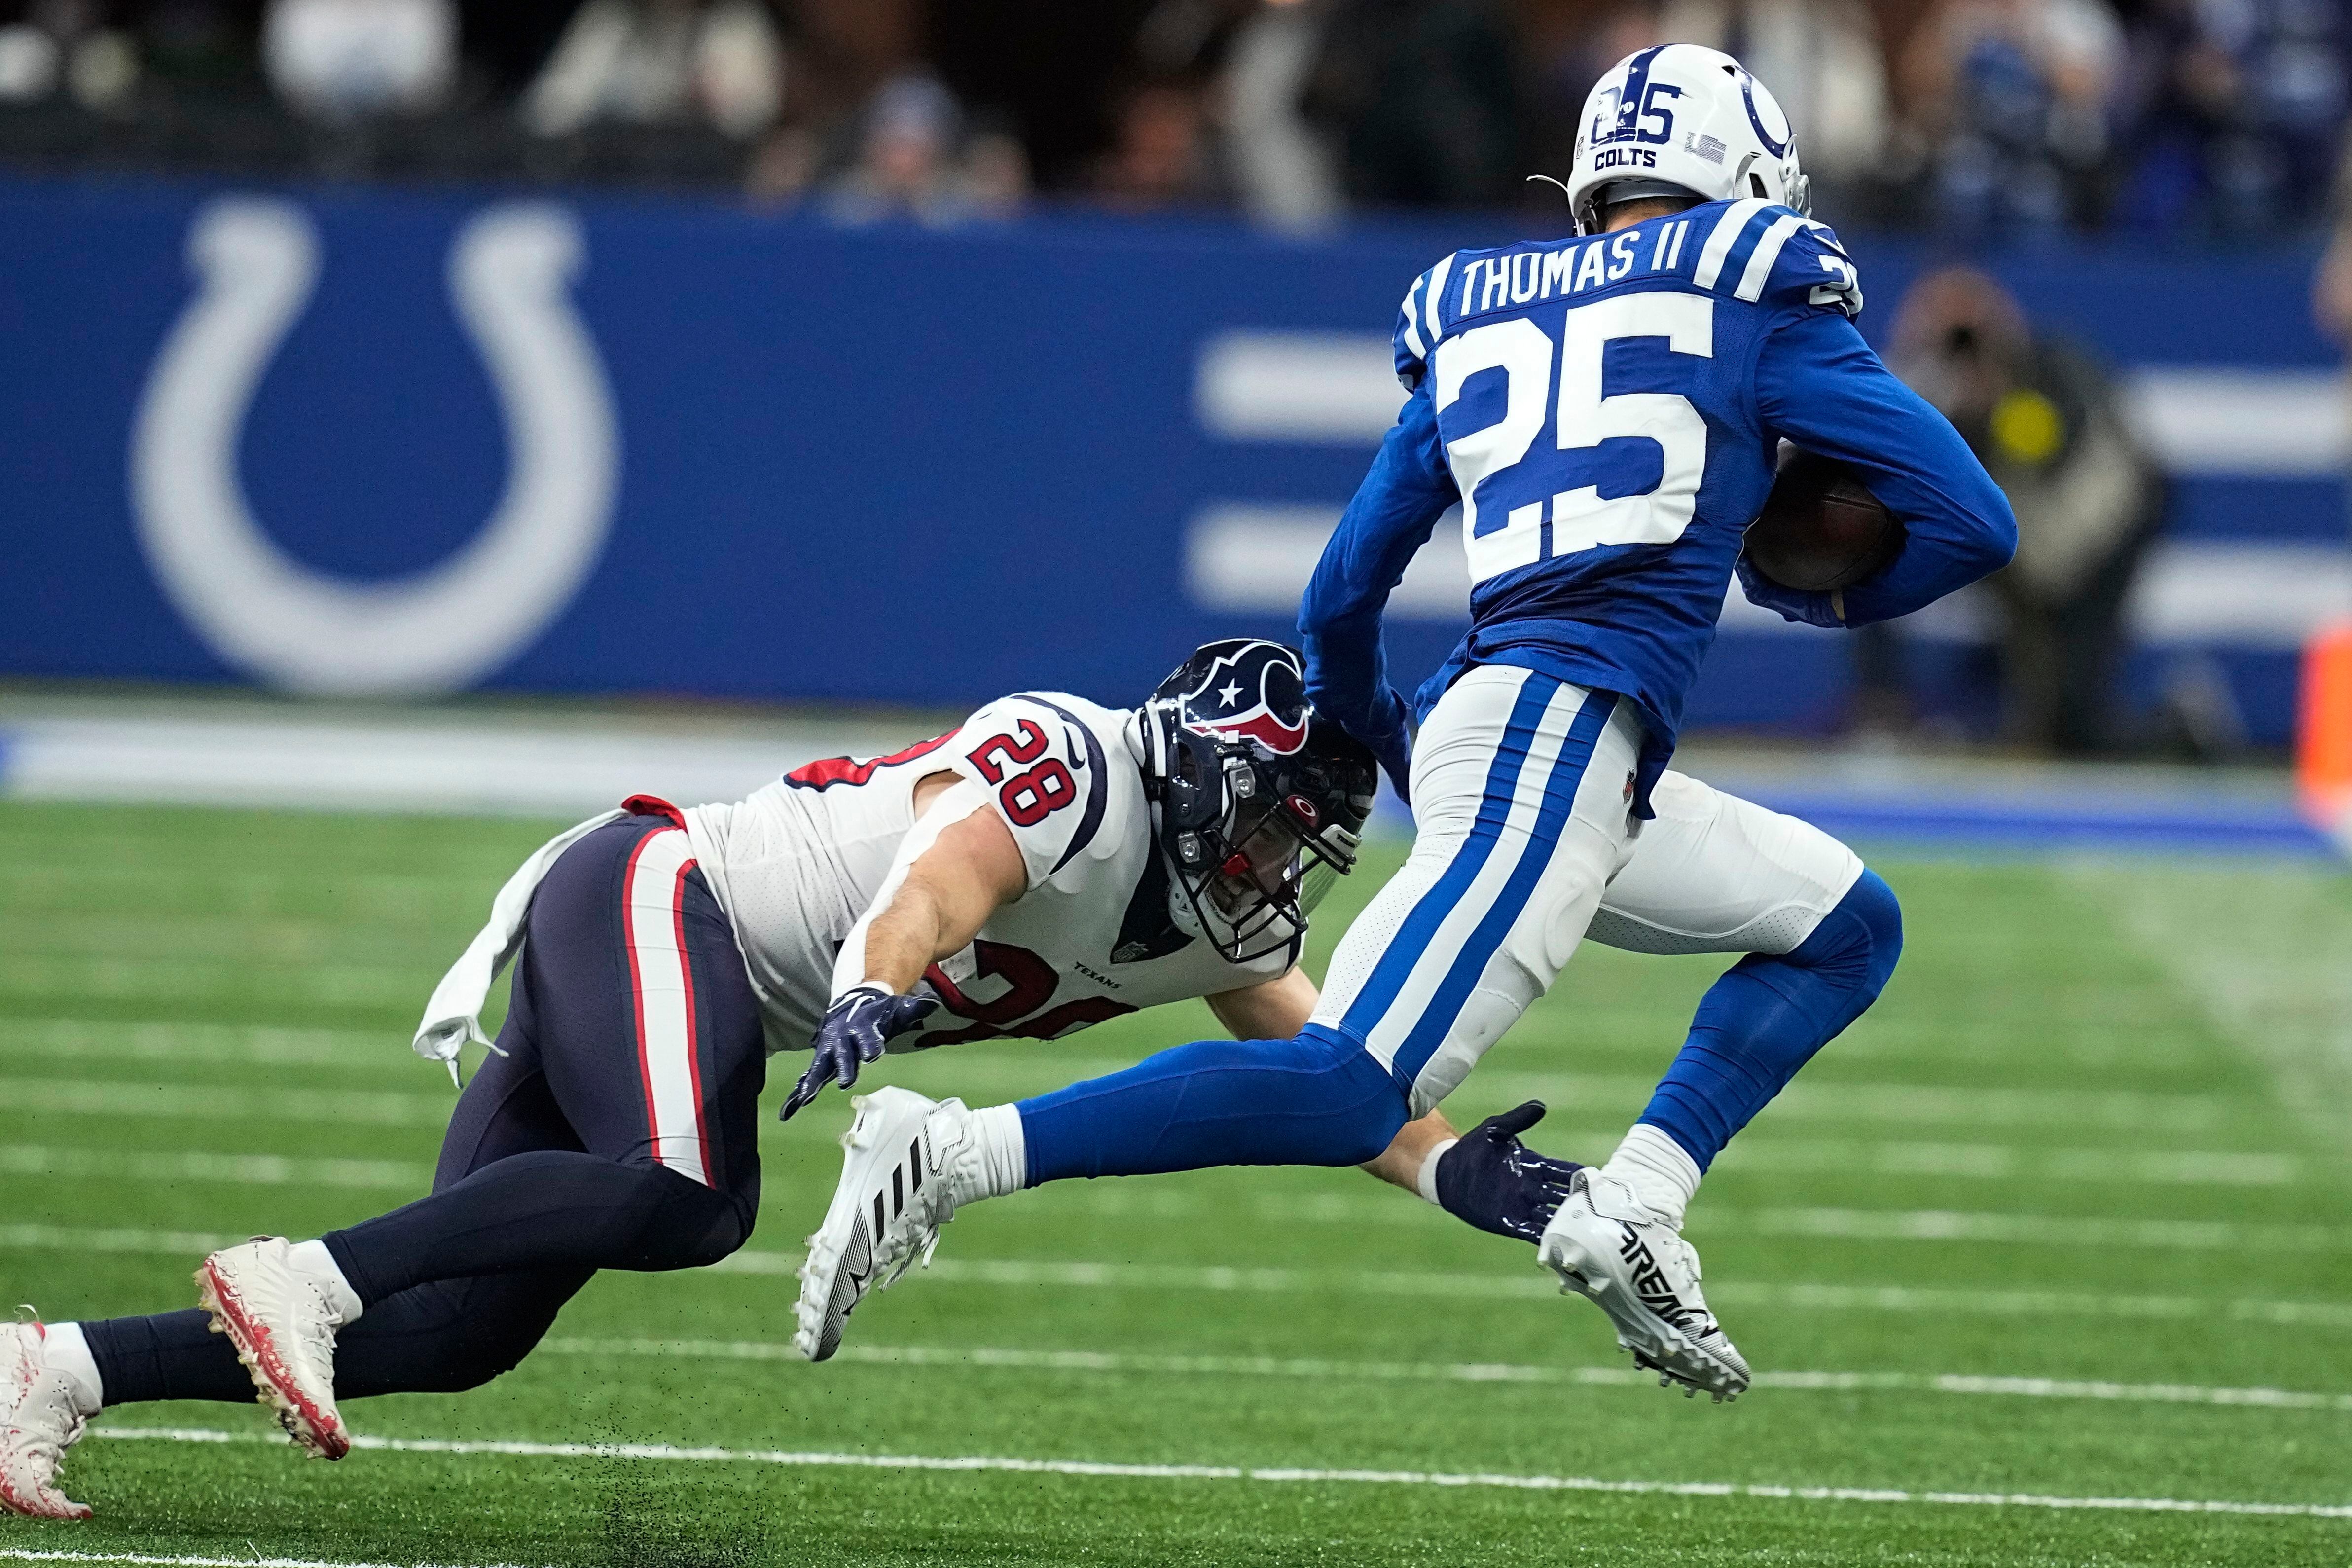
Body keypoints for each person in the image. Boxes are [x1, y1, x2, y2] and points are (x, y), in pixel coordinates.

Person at [795, 45, 2016, 1402]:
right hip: (1559, 735)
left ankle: (1637, 1201)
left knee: (1850, 926)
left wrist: (1395, 740)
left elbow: (1339, 595)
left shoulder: (1488, 308)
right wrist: (1813, 603)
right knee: (1343, 1092)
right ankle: (951, 1148)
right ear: (1745, 185)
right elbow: (1972, 518)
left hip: (1512, 736)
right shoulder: (1757, 292)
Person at [0, 640, 1574, 1520]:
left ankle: (51, 1368)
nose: (1278, 856)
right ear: (1191, 767)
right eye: (1266, 815)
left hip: (695, 988)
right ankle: (299, 1275)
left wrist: (1450, 1171)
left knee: (463, 1330)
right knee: (688, 1195)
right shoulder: (1078, 764)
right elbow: (937, 888)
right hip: (655, 895)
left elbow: (1328, 1076)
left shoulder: (1213, 922)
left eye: (1303, 834)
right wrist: (873, 993)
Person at [1881, 267, 2163, 753]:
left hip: (2088, 533)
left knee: (2077, 709)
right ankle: (1879, 708)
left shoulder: (2048, 371)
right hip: (2012, 538)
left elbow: (2053, 459)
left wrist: (1991, 398)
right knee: (1873, 544)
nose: (1962, 352)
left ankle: (2172, 731)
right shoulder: (1935, 392)